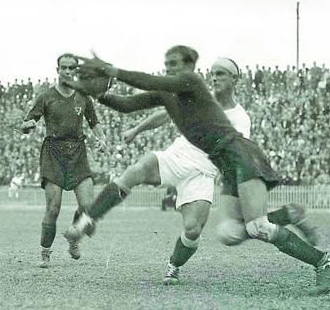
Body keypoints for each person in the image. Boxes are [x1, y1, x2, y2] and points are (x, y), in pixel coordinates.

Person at [64, 46, 330, 296]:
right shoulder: (173, 93)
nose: (170, 67)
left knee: (257, 226)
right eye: (167, 62)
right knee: (231, 233)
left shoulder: (192, 82)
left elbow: (151, 81)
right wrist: (96, 92)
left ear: (189, 67)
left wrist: (113, 71)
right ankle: (89, 219)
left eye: (175, 63)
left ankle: (322, 261)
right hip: (222, 162)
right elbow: (126, 105)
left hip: (238, 157)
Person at [119, 57, 319, 285]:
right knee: (235, 232)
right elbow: (166, 113)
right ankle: (285, 216)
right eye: (213, 74)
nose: (214, 78)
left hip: (208, 173)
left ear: (235, 79)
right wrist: (136, 129)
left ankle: (174, 265)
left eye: (221, 73)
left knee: (219, 231)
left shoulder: (240, 119)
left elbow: (239, 154)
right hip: (180, 161)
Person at [20, 53, 105, 268]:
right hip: (53, 153)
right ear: (57, 69)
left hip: (77, 152)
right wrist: (28, 125)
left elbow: (94, 122)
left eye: (71, 68)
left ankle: (74, 237)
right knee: (53, 208)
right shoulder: (46, 96)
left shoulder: (83, 96)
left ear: (76, 71)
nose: (67, 71)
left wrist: (101, 138)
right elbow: (29, 121)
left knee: (88, 206)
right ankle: (45, 252)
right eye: (64, 67)